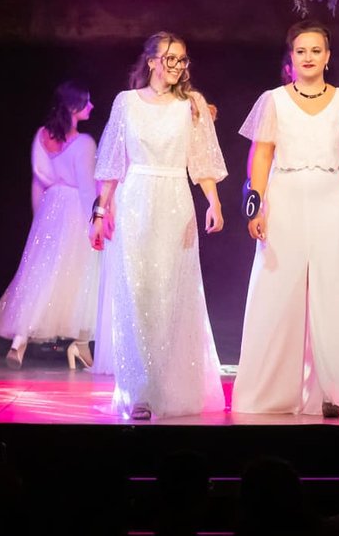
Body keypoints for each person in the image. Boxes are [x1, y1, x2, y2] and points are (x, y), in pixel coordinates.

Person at [233, 20, 339, 418]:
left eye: (315, 50)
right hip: (285, 198)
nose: (308, 57)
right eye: (300, 51)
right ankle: (268, 393)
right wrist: (256, 205)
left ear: (327, 56)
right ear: (291, 57)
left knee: (336, 293)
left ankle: (332, 391)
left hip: (332, 199)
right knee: (275, 292)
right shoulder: (273, 100)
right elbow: (261, 156)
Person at [90, 32, 227, 420]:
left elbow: (202, 160)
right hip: (135, 202)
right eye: (169, 58)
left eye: (182, 59)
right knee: (137, 296)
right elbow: (112, 163)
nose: (177, 65)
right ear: (151, 61)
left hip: (175, 201)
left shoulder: (192, 104)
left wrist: (214, 202)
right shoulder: (126, 102)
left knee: (170, 295)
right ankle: (141, 392)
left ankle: (168, 388)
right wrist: (100, 213)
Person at [0, 80, 100, 369]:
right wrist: (96, 219)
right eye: (86, 101)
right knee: (84, 274)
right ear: (73, 106)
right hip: (75, 208)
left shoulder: (42, 136)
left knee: (41, 273)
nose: (91, 106)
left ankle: (20, 340)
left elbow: (38, 181)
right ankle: (81, 343)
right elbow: (87, 187)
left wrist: (39, 220)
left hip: (50, 207)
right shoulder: (84, 143)